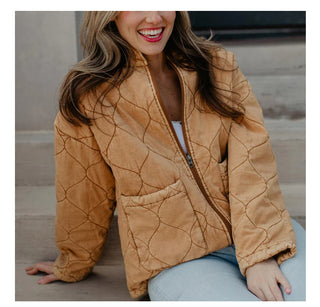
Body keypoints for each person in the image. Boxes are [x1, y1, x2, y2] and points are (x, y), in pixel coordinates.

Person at [25, 11, 306, 301]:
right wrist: (74, 261)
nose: (154, 17)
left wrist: (261, 254)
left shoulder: (218, 66)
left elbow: (253, 160)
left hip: (263, 233)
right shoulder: (88, 97)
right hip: (177, 260)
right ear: (109, 13)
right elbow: (84, 191)